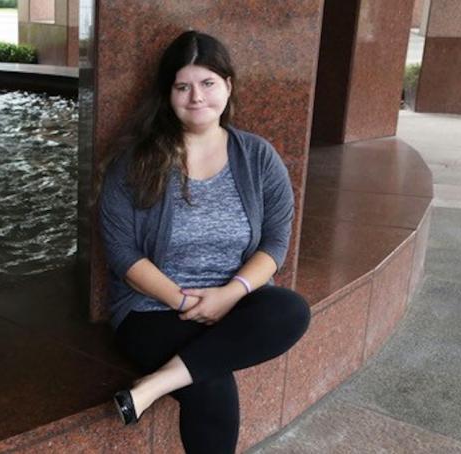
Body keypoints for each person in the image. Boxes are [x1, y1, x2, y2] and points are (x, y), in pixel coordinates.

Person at [97, 30, 311, 453]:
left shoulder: (258, 158)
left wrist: (229, 296)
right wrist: (184, 303)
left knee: (290, 311)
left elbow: (275, 243)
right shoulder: (136, 163)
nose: (196, 97)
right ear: (168, 94)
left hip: (234, 302)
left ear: (228, 87)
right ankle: (171, 375)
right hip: (152, 309)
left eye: (208, 83)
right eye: (183, 86)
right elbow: (122, 254)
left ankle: (155, 385)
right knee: (212, 388)